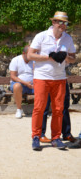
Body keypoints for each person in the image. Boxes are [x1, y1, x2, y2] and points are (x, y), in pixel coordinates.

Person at [27, 11, 76, 151]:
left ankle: (56, 138)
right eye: (60, 22)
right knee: (39, 108)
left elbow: (73, 58)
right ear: (53, 22)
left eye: (65, 23)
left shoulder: (68, 39)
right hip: (42, 77)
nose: (62, 25)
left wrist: (65, 57)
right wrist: (49, 57)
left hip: (59, 78)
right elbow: (30, 55)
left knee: (59, 109)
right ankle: (36, 137)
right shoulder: (41, 36)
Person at [9, 45, 34, 119]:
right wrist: (25, 83)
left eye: (32, 53)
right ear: (24, 53)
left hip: (32, 84)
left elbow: (38, 73)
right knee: (17, 86)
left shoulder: (34, 60)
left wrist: (35, 83)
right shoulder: (15, 60)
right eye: (29, 54)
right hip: (20, 84)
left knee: (44, 86)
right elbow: (13, 76)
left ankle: (41, 110)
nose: (31, 56)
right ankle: (19, 110)